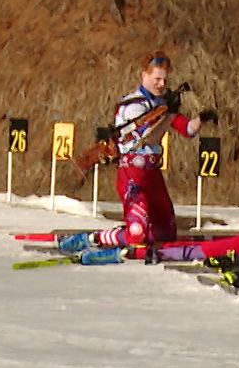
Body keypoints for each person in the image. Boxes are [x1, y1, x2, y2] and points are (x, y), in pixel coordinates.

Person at [62, 54, 213, 252]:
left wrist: (202, 118)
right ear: (144, 76)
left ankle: (125, 234)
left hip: (153, 176)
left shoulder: (161, 105)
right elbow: (147, 137)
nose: (161, 84)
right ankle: (93, 238)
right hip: (132, 173)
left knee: (165, 233)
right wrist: (168, 113)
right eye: (157, 79)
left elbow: (187, 130)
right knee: (136, 233)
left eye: (165, 80)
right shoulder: (132, 106)